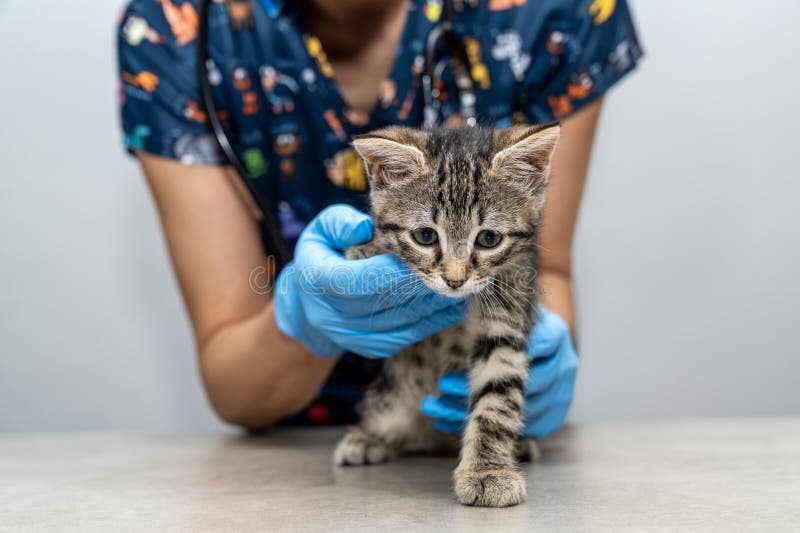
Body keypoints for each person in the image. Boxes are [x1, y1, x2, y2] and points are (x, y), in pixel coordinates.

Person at [117, 0, 641, 433]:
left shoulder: (552, 12)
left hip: (467, 406)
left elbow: (543, 268)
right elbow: (233, 388)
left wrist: (527, 367)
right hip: (304, 456)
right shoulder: (172, 31)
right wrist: (304, 320)